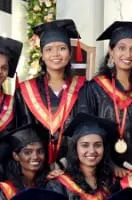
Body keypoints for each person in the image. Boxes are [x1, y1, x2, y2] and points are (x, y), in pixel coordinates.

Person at [77, 21, 132, 168]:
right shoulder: (94, 89)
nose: (128, 54)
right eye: (121, 48)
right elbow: (86, 133)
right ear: (111, 51)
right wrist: (112, 166)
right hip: (104, 169)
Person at [15, 19, 88, 162]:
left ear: (70, 53)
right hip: (35, 164)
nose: (56, 54)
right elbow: (21, 133)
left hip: (75, 164)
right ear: (42, 55)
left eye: (62, 48)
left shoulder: (84, 87)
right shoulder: (25, 90)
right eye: (49, 49)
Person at [48, 115, 123, 200]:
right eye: (85, 145)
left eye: (98, 145)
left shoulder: (112, 183)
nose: (92, 151)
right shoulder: (60, 185)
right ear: (75, 148)